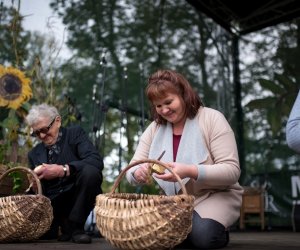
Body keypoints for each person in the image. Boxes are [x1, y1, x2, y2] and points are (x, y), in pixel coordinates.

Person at [126, 69, 243, 249]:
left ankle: (213, 229)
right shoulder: (154, 129)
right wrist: (137, 173)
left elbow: (232, 171)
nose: (164, 110)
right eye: (158, 106)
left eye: (168, 102)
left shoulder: (212, 118)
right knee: (138, 231)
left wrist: (190, 170)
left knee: (203, 236)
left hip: (215, 195)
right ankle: (184, 230)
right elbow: (132, 169)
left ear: (184, 95)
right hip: (175, 204)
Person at [25, 103, 103, 244]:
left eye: (44, 129)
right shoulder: (34, 153)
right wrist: (35, 187)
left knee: (91, 172)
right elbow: (37, 192)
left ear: (58, 121)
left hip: (77, 199)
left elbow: (95, 161)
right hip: (53, 207)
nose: (42, 135)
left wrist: (63, 170)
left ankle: (76, 227)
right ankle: (61, 228)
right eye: (37, 133)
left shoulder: (75, 134)